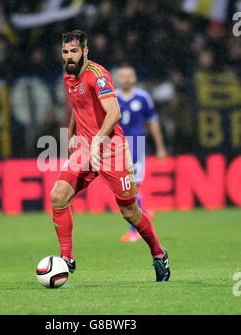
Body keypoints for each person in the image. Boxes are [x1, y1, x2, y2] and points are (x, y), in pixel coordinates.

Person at [50, 29, 170, 281]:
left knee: (130, 212)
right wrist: (71, 134)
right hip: (86, 149)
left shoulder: (99, 76)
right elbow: (77, 108)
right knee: (58, 195)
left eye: (74, 51)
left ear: (85, 51)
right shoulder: (68, 77)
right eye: (65, 52)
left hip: (111, 150)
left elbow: (114, 113)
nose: (69, 56)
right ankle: (66, 259)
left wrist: (96, 142)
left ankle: (159, 254)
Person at [116, 64, 167, 242]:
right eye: (123, 76)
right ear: (118, 79)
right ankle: (143, 212)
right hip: (117, 146)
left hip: (136, 145)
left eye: (129, 75)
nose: (126, 79)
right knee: (122, 188)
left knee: (133, 186)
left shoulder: (143, 97)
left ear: (135, 78)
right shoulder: (112, 97)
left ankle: (135, 229)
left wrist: (160, 147)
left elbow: (153, 122)